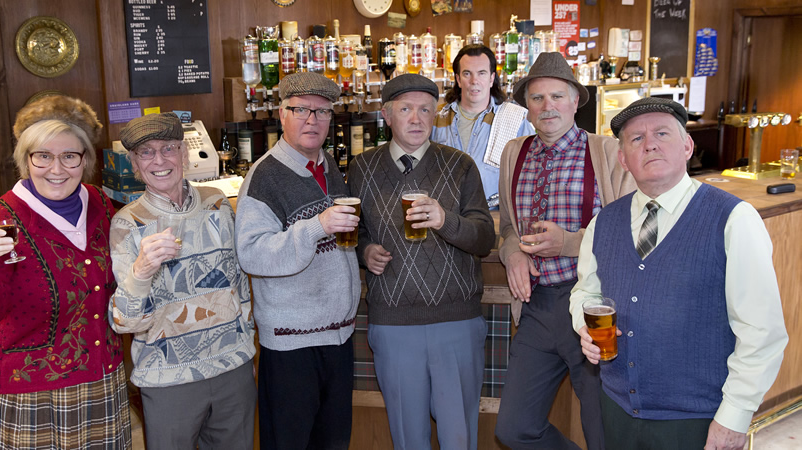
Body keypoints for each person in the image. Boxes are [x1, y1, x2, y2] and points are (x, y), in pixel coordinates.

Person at [569, 97, 788, 450]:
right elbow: (585, 292)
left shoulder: (734, 219)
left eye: (662, 133)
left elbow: (761, 332)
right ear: (623, 158)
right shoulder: (603, 223)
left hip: (696, 421)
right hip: (617, 408)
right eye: (636, 139)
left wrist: (734, 416)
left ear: (687, 145)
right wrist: (585, 324)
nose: (650, 143)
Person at [0, 95, 132, 448]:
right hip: (29, 393)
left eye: (69, 156)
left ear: (85, 159)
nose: (57, 168)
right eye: (43, 156)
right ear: (26, 159)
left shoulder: (101, 205)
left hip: (99, 377)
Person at [493, 52, 635, 450]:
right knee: (514, 429)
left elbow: (629, 231)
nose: (547, 106)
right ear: (527, 107)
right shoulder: (513, 153)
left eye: (558, 96)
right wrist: (512, 252)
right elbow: (506, 225)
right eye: (537, 99)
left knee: (602, 432)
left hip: (591, 306)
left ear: (576, 100)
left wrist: (570, 242)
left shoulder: (608, 152)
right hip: (536, 309)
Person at [347, 73, 495, 449]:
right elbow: (354, 230)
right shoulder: (361, 168)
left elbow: (483, 238)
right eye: (406, 109)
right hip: (394, 324)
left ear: (436, 115)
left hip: (457, 323)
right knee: (407, 438)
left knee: (458, 439)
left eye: (425, 109)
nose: (416, 118)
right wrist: (365, 251)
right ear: (386, 114)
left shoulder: (460, 165)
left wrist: (446, 220)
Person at [108, 112, 256, 449]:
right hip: (168, 379)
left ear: (185, 154)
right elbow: (125, 321)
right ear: (133, 164)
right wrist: (142, 270)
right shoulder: (127, 224)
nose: (159, 160)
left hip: (232, 368)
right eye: (146, 153)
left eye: (169, 149)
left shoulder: (217, 202)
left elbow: (240, 282)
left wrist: (246, 347)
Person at [235, 72, 360, 450]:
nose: (312, 120)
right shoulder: (264, 177)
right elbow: (252, 254)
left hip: (339, 336)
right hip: (292, 345)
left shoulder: (327, 165)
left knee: (333, 443)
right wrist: (315, 227)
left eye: (322, 112)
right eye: (301, 109)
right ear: (281, 113)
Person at [431, 44, 534, 209]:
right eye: (467, 74)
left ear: (492, 78)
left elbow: (531, 175)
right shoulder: (436, 117)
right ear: (457, 79)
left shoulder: (516, 119)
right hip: (444, 217)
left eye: (482, 73)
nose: (474, 81)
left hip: (494, 216)